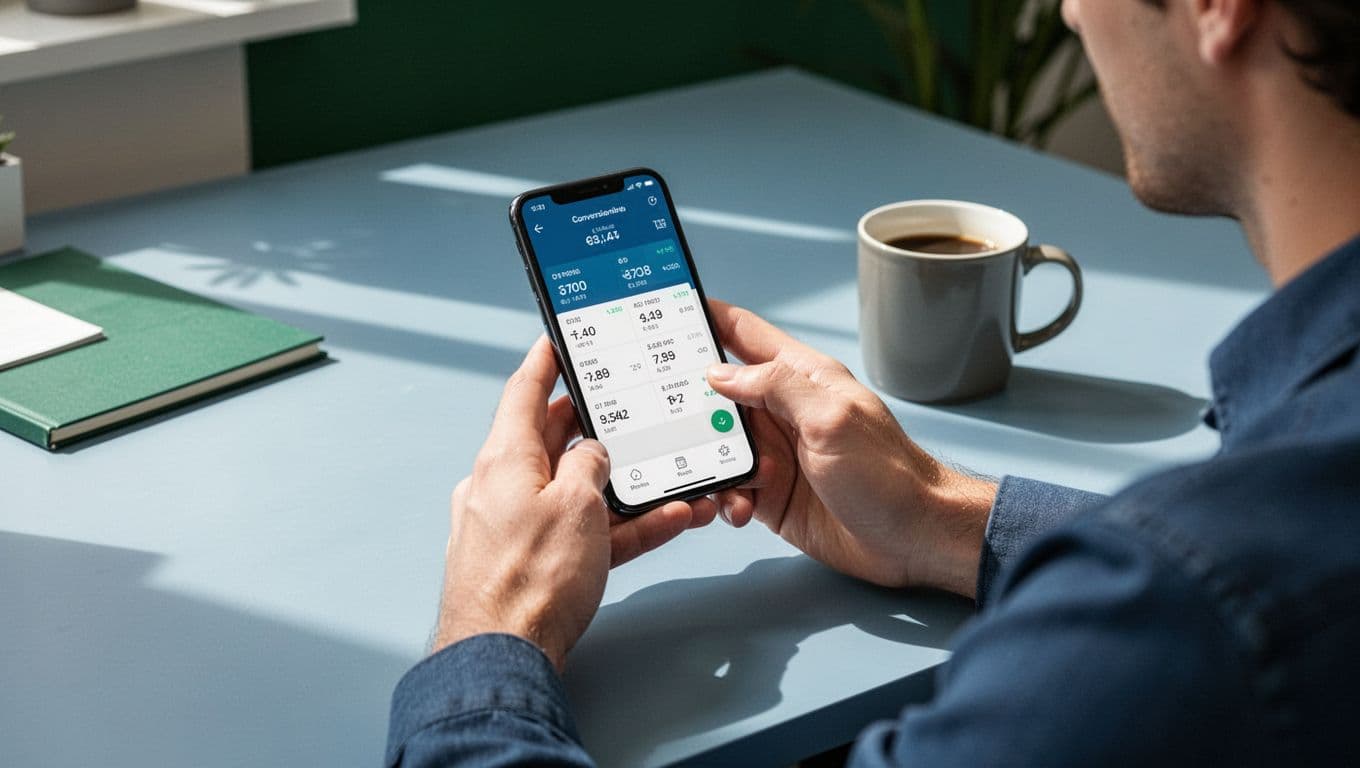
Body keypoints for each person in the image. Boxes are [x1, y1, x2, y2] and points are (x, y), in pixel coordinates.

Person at [386, 0, 1360, 764]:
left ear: (1217, 5)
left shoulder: (1186, 621)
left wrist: (488, 633)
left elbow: (1216, 593)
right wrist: (944, 515)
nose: (1066, 12)